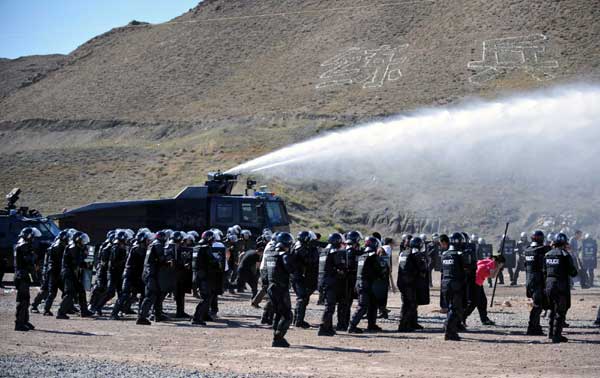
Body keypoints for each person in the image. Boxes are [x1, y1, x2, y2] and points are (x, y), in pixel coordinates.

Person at [544, 232, 578, 343]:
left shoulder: (547, 254)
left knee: (552, 309)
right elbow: (573, 272)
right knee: (560, 310)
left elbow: (544, 271)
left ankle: (550, 333)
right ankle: (556, 335)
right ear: (565, 243)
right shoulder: (565, 255)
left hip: (549, 284)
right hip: (561, 285)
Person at [110, 230, 151, 320]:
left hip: (137, 276)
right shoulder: (137, 248)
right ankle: (114, 313)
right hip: (131, 276)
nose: (149, 241)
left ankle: (141, 314)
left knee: (143, 294)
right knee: (125, 294)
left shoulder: (142, 248)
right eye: (147, 240)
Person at [348, 237, 384, 333]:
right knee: (362, 306)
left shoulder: (362, 256)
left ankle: (371, 325)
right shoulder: (373, 256)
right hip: (365, 284)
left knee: (373, 303)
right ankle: (352, 325)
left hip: (360, 283)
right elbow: (379, 270)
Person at [265, 232, 295, 347]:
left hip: (271, 287)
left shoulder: (270, 255)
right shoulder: (284, 255)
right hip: (280, 288)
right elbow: (290, 269)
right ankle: (278, 338)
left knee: (278, 313)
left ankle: (276, 336)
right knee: (287, 315)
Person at [31, 230, 69, 316]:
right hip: (53, 272)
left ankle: (67, 308)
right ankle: (44, 309)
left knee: (64, 291)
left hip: (55, 271)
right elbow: (57, 261)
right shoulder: (58, 247)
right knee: (50, 291)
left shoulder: (59, 245)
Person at [192, 230, 226, 326]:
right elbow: (212, 260)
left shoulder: (197, 247)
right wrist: (218, 260)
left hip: (198, 276)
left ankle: (205, 315)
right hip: (205, 277)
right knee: (206, 298)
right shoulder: (205, 248)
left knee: (209, 296)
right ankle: (196, 317)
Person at [57, 231, 93, 319]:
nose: (83, 242)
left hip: (72, 273)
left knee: (81, 291)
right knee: (70, 293)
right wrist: (85, 260)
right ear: (78, 240)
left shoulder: (76, 247)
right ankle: (60, 312)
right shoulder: (73, 247)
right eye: (82, 240)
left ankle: (84, 311)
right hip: (68, 273)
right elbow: (77, 261)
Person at [318, 233, 348, 336]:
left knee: (329, 305)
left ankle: (329, 327)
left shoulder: (323, 251)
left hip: (322, 281)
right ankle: (323, 327)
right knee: (330, 306)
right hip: (331, 282)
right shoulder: (334, 252)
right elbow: (341, 267)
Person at [95, 229, 131, 316]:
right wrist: (125, 261)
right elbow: (114, 262)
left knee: (121, 293)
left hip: (118, 273)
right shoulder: (116, 247)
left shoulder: (121, 247)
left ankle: (120, 310)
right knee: (110, 292)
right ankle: (97, 307)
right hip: (113, 273)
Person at [137, 230, 169, 325]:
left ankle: (157, 315)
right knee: (151, 296)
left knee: (157, 295)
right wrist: (168, 259)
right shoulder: (158, 245)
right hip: (151, 274)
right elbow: (162, 258)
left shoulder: (152, 244)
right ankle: (141, 317)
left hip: (149, 273)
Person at [524, 230, 551, 335]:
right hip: (537, 280)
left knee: (538, 304)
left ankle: (536, 326)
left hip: (529, 280)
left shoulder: (527, 250)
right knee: (537, 305)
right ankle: (532, 328)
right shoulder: (542, 249)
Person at [14, 227, 41, 331]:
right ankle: (19, 323)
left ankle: (24, 321)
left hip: (22, 275)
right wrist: (34, 257)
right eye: (32, 237)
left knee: (26, 299)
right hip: (22, 275)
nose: (33, 239)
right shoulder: (24, 246)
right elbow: (28, 261)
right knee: (23, 300)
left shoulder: (22, 244)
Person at [464, 253, 502, 326]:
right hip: (475, 282)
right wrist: (498, 268)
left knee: (482, 301)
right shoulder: (492, 263)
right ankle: (462, 318)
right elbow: (492, 275)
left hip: (476, 281)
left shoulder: (487, 261)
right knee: (473, 302)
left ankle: (484, 319)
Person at [441, 232, 466, 341]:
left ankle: (449, 328)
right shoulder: (459, 254)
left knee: (451, 307)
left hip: (445, 284)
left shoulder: (444, 254)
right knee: (455, 309)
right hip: (455, 284)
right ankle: (450, 332)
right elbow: (464, 269)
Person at [339, 231, 363, 330]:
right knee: (346, 303)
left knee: (347, 303)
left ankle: (344, 323)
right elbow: (350, 266)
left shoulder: (349, 250)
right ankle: (342, 324)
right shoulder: (350, 251)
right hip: (348, 280)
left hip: (348, 280)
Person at [291, 231, 315, 328]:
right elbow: (308, 261)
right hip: (299, 276)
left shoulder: (296, 247)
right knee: (302, 298)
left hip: (296, 276)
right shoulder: (301, 249)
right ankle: (298, 321)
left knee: (302, 298)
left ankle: (297, 320)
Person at [89, 230, 115, 316]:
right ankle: (92, 305)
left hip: (105, 271)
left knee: (105, 290)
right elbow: (101, 261)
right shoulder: (106, 247)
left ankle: (96, 306)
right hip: (103, 271)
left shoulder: (108, 246)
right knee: (99, 288)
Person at [397, 237, 421, 332]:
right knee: (411, 304)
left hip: (402, 282)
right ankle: (404, 325)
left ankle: (408, 323)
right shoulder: (413, 253)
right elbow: (420, 267)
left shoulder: (403, 253)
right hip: (408, 282)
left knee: (406, 303)